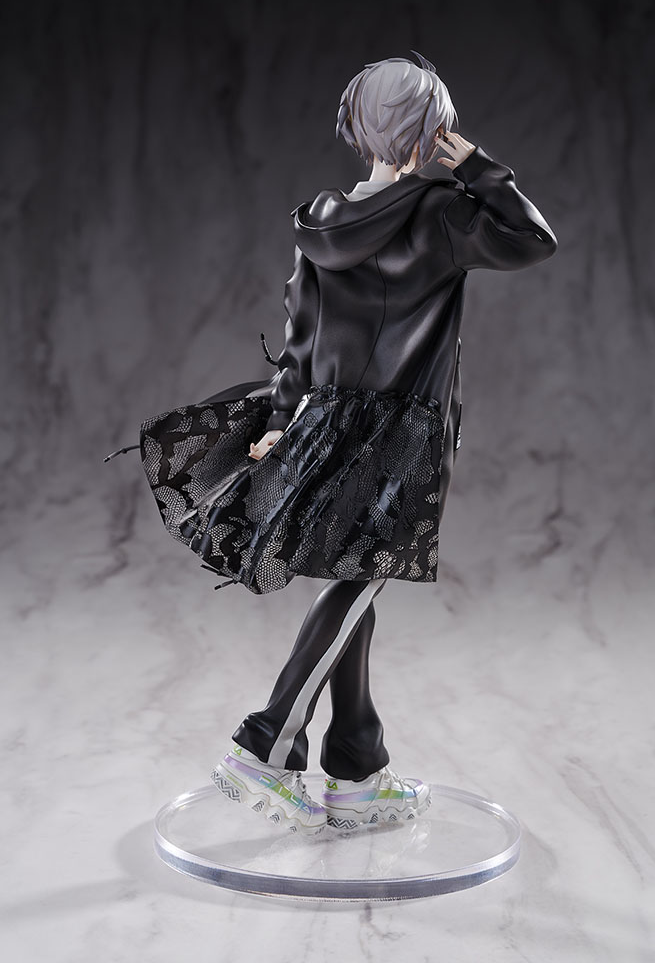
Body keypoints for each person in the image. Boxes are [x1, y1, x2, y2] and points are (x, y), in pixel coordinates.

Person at [106, 51, 557, 834]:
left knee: (353, 581)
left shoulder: (322, 220)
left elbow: (300, 337)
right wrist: (477, 167)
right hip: (401, 430)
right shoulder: (442, 214)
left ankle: (357, 767)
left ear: (357, 127)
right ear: (431, 130)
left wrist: (281, 422)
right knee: (359, 582)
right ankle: (266, 745)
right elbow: (532, 239)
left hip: (323, 420)